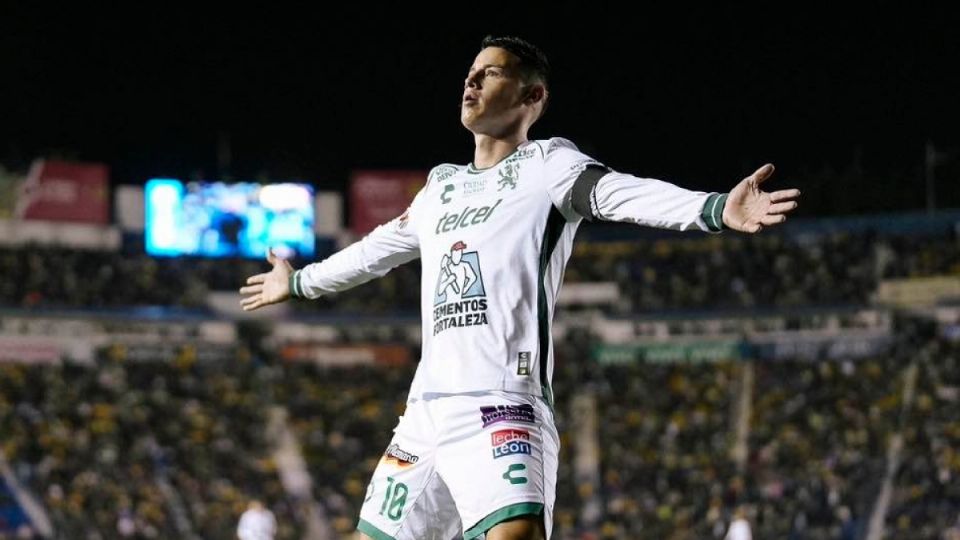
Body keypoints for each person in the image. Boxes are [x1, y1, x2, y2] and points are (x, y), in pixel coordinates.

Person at [239, 35, 800, 540]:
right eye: (470, 73)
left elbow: (617, 194)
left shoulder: (548, 165)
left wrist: (714, 209)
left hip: (502, 404)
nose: (472, 81)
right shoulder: (440, 188)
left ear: (533, 96)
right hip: (425, 414)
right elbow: (375, 250)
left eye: (491, 73)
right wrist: (301, 281)